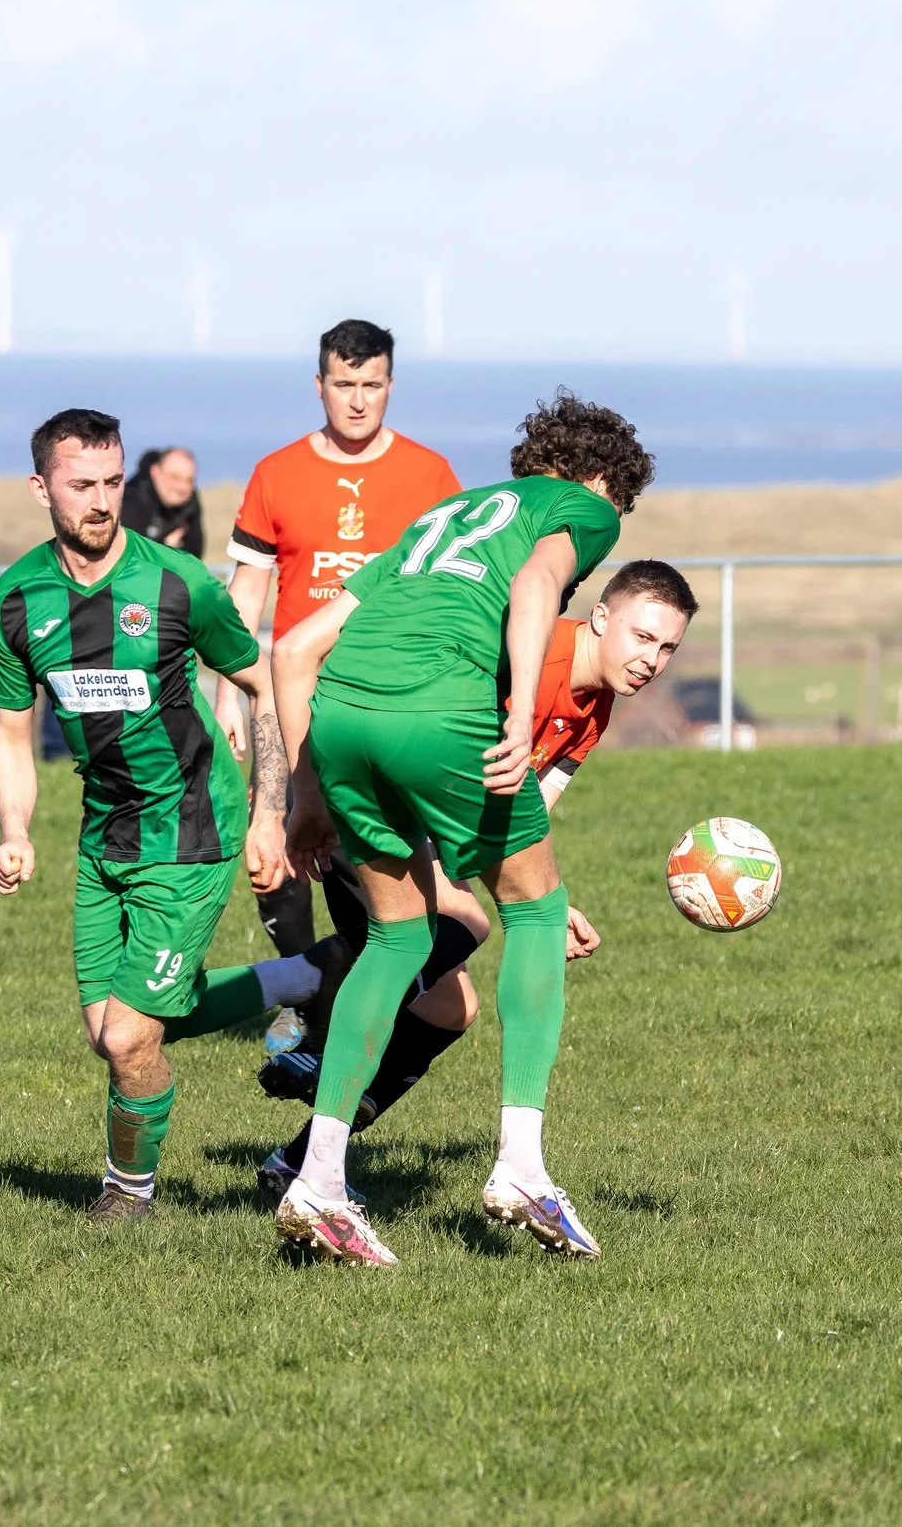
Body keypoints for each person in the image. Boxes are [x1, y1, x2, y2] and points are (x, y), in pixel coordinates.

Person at [267, 391, 654, 1266]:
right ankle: (520, 1167)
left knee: (397, 939)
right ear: (600, 480)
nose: (608, 525)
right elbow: (536, 586)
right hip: (442, 712)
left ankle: (319, 1179)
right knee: (537, 912)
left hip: (343, 718)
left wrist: (305, 796)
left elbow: (293, 652)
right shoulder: (581, 508)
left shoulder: (445, 514)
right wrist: (518, 712)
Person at [251, 560, 698, 1194]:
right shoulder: (525, 660)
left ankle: (298, 1160)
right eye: (643, 637)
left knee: (449, 1009)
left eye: (668, 647)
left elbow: (528, 818)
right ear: (601, 618)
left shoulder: (593, 710)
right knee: (463, 922)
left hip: (426, 825)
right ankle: (312, 1032)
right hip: (368, 800)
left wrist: (547, 902)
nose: (653, 659)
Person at [0, 409, 310, 1221]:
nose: (101, 501)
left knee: (129, 1038)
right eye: (81, 485)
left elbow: (263, 685)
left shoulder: (178, 584)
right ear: (40, 488)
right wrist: (15, 831)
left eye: (112, 482)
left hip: (193, 824)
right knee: (114, 1030)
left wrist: (271, 816)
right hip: (105, 835)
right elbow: (11, 740)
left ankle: (128, 1196)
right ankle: (309, 974)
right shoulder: (15, 603)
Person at [215, 320, 463, 970]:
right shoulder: (276, 474)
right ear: (318, 385)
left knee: (384, 856)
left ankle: (378, 979)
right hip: (292, 697)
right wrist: (227, 695)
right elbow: (244, 600)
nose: (358, 400)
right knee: (274, 854)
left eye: (372, 385)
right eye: (344, 384)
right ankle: (307, 988)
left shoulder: (431, 476)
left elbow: (452, 597)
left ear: (391, 386)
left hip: (390, 700)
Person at [121, 447, 205, 556]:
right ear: (155, 471)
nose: (182, 487)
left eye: (189, 480)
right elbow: (128, 555)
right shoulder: (131, 500)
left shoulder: (190, 502)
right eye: (174, 477)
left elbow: (195, 555)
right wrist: (166, 548)